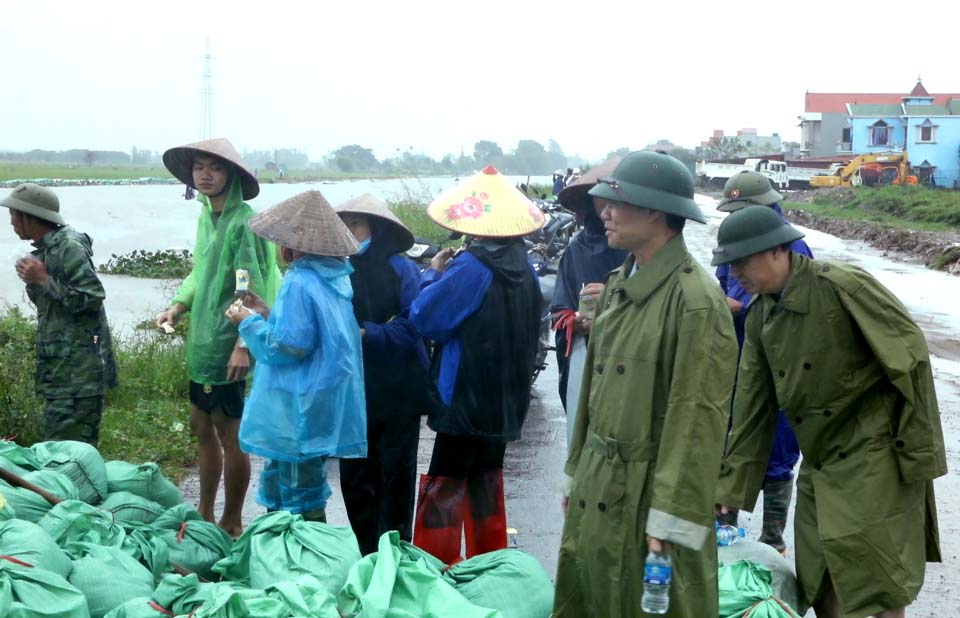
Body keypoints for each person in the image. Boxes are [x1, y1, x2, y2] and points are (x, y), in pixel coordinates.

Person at [713, 206, 946, 618]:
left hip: (873, 455)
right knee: (820, 577)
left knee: (877, 580)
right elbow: (752, 408)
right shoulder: (761, 315)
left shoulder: (842, 287)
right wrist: (728, 492)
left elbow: (911, 361)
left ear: (778, 250)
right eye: (729, 264)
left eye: (742, 261)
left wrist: (918, 455)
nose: (736, 273)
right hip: (820, 463)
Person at [553, 151, 738, 618]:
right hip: (600, 482)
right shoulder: (618, 284)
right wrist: (576, 472)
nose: (604, 214)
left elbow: (697, 419)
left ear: (655, 211)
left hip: (650, 496)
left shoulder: (696, 301)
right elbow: (594, 395)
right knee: (590, 595)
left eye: (617, 204)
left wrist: (671, 517)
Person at [410, 165, 543, 564]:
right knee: (486, 482)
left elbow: (425, 317)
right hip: (505, 400)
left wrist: (433, 276)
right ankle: (490, 564)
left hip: (464, 396)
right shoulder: (527, 269)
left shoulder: (473, 267)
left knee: (445, 486)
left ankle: (436, 569)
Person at [156, 138, 282, 537]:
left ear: (232, 176)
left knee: (230, 432)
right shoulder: (206, 218)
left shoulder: (243, 222)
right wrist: (178, 305)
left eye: (215, 167)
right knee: (200, 425)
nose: (205, 175)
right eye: (198, 167)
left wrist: (244, 343)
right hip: (203, 341)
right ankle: (205, 511)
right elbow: (200, 270)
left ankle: (231, 519)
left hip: (231, 341)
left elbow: (249, 287)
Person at [225, 190, 366, 523]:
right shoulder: (334, 279)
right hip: (319, 398)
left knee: (298, 492)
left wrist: (248, 322)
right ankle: (290, 551)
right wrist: (269, 312)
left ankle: (302, 557)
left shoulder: (300, 279)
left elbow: (287, 346)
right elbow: (314, 335)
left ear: (294, 244)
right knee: (298, 481)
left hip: (296, 404)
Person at [713, 170, 811, 555]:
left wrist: (696, 299)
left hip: (780, 362)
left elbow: (738, 303)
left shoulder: (786, 248)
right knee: (731, 441)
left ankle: (773, 538)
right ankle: (725, 535)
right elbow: (727, 290)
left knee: (778, 447)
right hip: (741, 358)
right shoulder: (738, 241)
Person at [335, 193, 429, 554]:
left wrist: (368, 333)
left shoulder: (402, 269)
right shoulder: (337, 268)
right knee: (355, 478)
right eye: (344, 223)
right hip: (353, 389)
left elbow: (414, 325)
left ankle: (395, 555)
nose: (349, 230)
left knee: (395, 476)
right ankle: (366, 554)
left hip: (398, 389)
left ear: (377, 228)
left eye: (356, 223)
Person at [3, 183, 117, 445]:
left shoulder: (70, 246)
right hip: (60, 372)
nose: (11, 223)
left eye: (14, 215)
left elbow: (91, 298)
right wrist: (32, 281)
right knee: (59, 449)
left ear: (29, 216)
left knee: (70, 454)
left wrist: (43, 279)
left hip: (79, 376)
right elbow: (50, 307)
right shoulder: (44, 250)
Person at [550, 157, 628, 425]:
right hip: (587, 355)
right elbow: (559, 312)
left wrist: (613, 298)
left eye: (614, 201)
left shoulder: (640, 247)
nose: (606, 210)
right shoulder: (576, 249)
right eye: (600, 199)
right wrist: (576, 322)